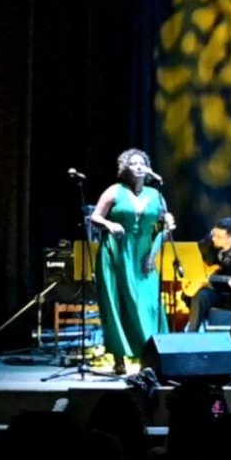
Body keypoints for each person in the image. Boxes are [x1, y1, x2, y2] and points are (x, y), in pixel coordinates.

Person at [90, 148, 176, 373]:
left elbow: (165, 229)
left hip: (143, 256)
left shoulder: (155, 195)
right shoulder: (114, 191)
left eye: (142, 163)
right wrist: (109, 224)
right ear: (125, 168)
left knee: (147, 305)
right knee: (117, 303)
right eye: (133, 163)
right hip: (116, 253)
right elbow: (95, 217)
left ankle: (148, 356)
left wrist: (153, 254)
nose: (138, 166)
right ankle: (119, 357)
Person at [185, 217, 231, 346]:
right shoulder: (210, 242)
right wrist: (211, 235)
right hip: (214, 290)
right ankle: (191, 338)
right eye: (214, 234)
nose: (214, 238)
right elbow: (199, 247)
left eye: (219, 236)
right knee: (199, 295)